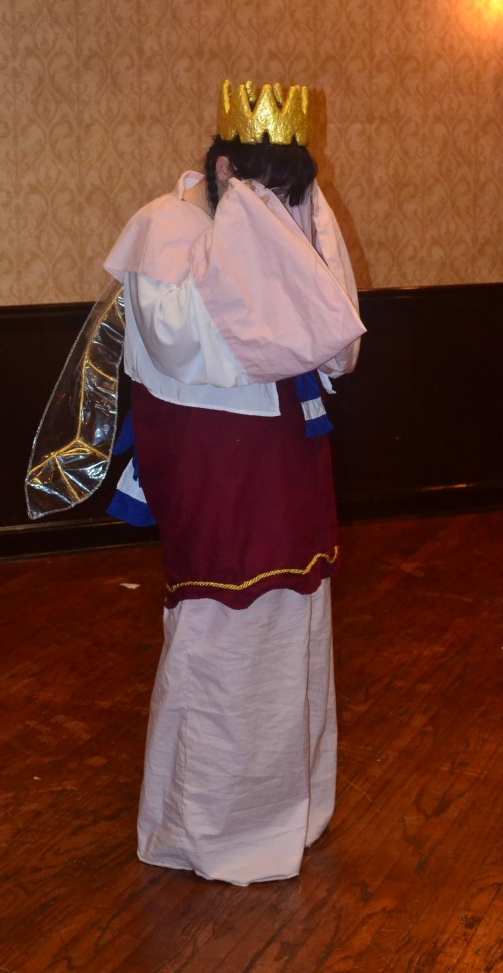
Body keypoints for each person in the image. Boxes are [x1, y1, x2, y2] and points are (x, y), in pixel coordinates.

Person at [99, 80, 366, 885]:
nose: (279, 207)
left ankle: (290, 812)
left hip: (287, 457)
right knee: (220, 631)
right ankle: (207, 828)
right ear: (224, 170)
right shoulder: (166, 228)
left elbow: (332, 343)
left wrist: (287, 242)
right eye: (263, 190)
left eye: (291, 190)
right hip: (214, 463)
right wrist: (264, 261)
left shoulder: (288, 220)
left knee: (294, 624)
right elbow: (198, 352)